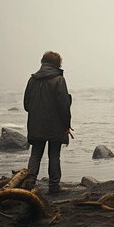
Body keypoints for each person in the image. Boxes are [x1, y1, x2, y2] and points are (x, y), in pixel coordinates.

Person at [23, 51, 72, 194]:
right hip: (55, 126)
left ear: (43, 62)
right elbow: (64, 106)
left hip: (35, 125)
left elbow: (26, 105)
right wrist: (67, 125)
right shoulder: (59, 80)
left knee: (35, 155)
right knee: (54, 155)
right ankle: (54, 187)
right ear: (58, 64)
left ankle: (29, 185)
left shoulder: (32, 80)